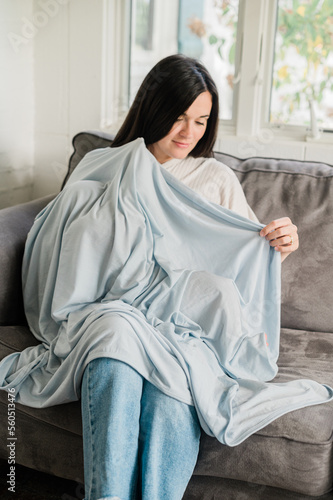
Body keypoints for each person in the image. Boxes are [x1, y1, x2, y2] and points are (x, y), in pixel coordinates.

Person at [80, 54, 299, 499]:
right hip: (117, 311)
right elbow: (74, 251)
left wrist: (281, 243)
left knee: (172, 386)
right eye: (178, 118)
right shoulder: (106, 166)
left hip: (184, 326)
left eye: (201, 121)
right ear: (151, 110)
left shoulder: (214, 178)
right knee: (115, 354)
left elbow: (247, 261)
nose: (188, 133)